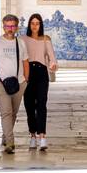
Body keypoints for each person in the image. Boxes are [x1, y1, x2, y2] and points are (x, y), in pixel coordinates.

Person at [0, 14, 29, 153]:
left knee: (14, 113)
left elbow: (25, 62)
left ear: (16, 27)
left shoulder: (20, 42)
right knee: (6, 112)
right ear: (3, 26)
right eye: (7, 26)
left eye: (12, 26)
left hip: (19, 82)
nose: (10, 29)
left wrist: (26, 80)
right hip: (0, 83)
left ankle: (6, 134)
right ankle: (10, 143)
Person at [22, 12, 58, 149]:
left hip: (41, 73)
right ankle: (32, 136)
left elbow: (51, 56)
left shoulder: (45, 39)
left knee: (42, 104)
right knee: (29, 106)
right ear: (29, 25)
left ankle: (42, 136)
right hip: (27, 73)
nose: (35, 26)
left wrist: (53, 64)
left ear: (40, 25)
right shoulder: (22, 39)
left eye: (37, 23)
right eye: (32, 23)